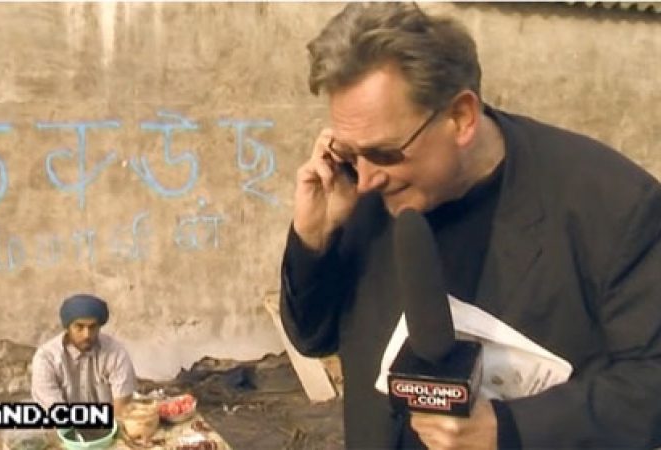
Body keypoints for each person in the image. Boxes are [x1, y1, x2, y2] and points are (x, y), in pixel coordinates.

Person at [279, 3, 661, 449]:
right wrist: (314, 240)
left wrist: (511, 429)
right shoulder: (356, 191)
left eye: (384, 153)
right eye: (350, 153)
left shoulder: (613, 206)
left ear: (461, 117)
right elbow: (312, 336)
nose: (366, 178)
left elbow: (650, 381)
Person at [31, 294, 137, 418]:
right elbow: (56, 414)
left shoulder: (116, 354)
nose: (87, 334)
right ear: (67, 327)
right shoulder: (46, 358)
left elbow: (121, 409)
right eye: (79, 327)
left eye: (92, 327)